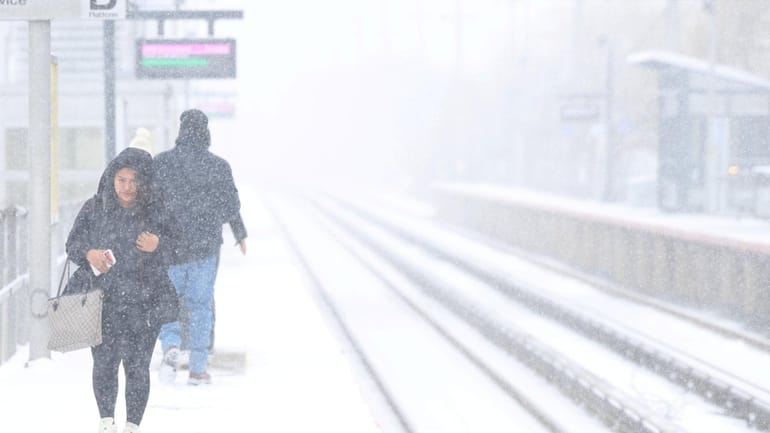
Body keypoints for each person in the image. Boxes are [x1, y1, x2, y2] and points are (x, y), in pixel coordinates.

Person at [66, 147, 178, 433]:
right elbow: (73, 244)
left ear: (145, 181)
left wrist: (159, 245)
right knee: (104, 364)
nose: (127, 187)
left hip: (146, 302)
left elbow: (183, 248)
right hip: (103, 302)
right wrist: (90, 254)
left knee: (137, 366)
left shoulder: (158, 209)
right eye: (121, 180)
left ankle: (132, 426)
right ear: (111, 179)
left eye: (134, 180)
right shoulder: (95, 208)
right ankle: (106, 422)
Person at [153, 108, 247, 385]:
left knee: (168, 301)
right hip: (204, 248)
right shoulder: (218, 166)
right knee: (200, 306)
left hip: (169, 248)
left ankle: (171, 346)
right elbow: (231, 205)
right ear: (206, 132)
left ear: (181, 131)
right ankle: (197, 368)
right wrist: (239, 232)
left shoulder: (161, 163)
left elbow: (149, 204)